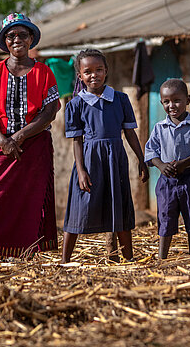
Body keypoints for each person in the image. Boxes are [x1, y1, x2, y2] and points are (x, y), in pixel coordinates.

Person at [0, 12, 60, 259]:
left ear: (31, 39)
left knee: (28, 199)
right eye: (11, 35)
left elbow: (49, 112)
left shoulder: (44, 72)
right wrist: (1, 139)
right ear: (5, 41)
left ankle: (22, 252)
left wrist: (19, 137)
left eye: (22, 34)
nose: (17, 39)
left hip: (34, 145)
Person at [61, 49, 149, 263]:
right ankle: (64, 260)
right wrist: (81, 171)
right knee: (78, 208)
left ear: (106, 71)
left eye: (99, 70)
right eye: (88, 71)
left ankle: (129, 260)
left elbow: (129, 132)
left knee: (118, 206)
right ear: (80, 76)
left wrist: (141, 159)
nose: (94, 75)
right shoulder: (76, 104)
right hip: (89, 162)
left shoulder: (120, 99)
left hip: (115, 160)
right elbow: (77, 141)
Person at [145, 78, 190, 259]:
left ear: (187, 100)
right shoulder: (159, 128)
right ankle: (162, 258)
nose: (171, 105)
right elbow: (150, 150)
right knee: (165, 217)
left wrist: (183, 163)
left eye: (177, 100)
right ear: (161, 103)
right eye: (166, 101)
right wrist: (161, 165)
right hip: (167, 181)